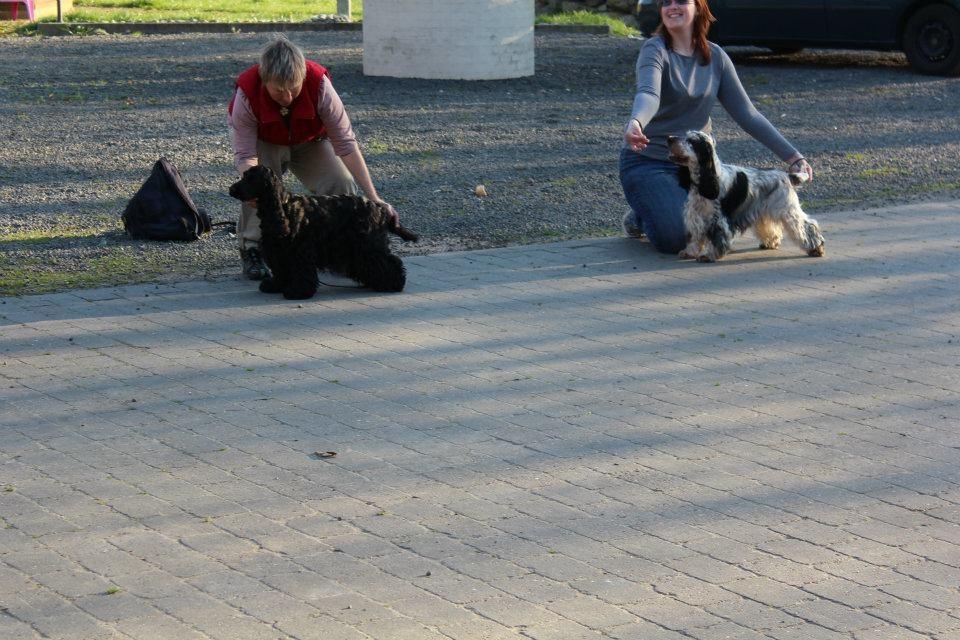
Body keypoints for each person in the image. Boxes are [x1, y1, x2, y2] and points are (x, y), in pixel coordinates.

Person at [619, 0, 813, 255]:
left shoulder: (716, 57)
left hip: (698, 167)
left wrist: (793, 156)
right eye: (666, 2)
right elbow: (648, 94)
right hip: (649, 162)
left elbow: (748, 114)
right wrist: (636, 122)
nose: (672, 7)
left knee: (706, 226)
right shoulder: (654, 50)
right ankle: (642, 214)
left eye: (681, 1)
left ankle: (663, 206)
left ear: (699, 7)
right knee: (678, 238)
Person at [228, 34, 399, 280]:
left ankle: (340, 249)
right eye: (278, 91)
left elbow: (346, 145)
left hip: (310, 142)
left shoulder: (320, 85)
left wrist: (374, 197)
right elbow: (245, 155)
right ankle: (252, 249)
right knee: (259, 187)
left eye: (293, 89)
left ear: (304, 77)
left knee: (341, 182)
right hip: (264, 143)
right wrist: (253, 190)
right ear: (265, 81)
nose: (287, 97)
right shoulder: (246, 93)